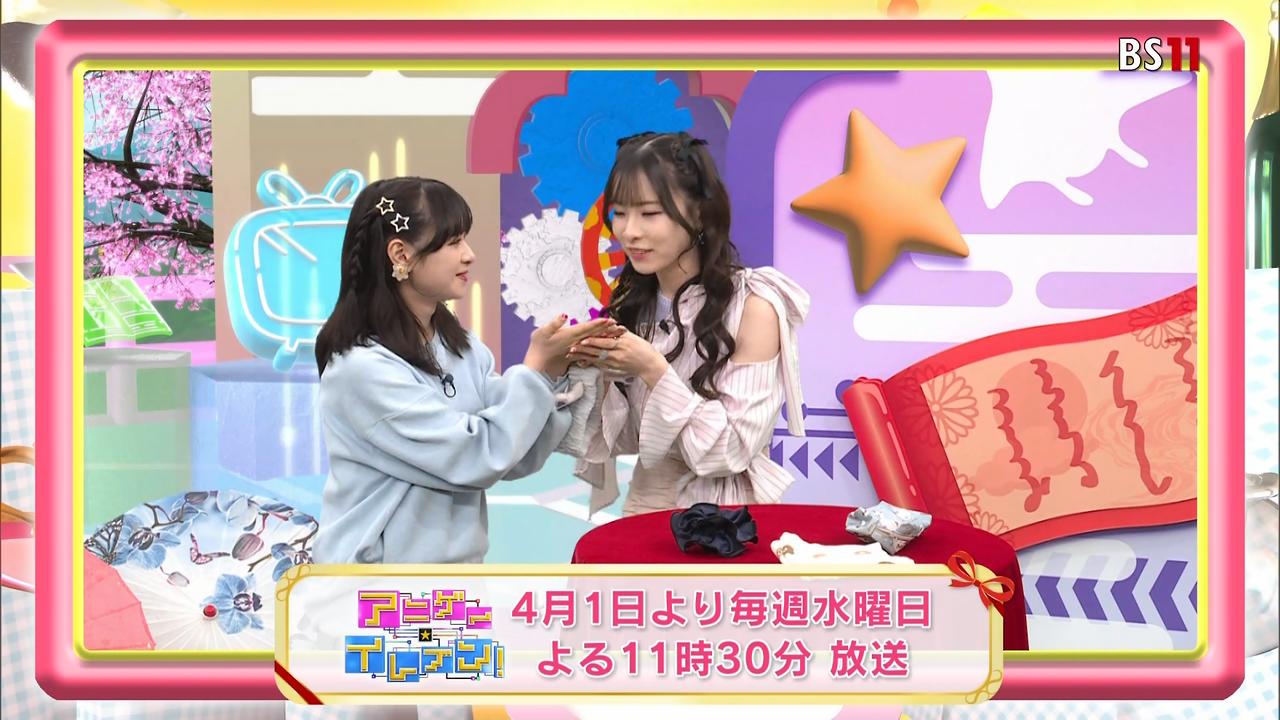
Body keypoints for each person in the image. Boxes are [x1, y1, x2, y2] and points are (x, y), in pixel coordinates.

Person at [312, 176, 612, 566]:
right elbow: (477, 456)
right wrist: (535, 368)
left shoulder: (463, 347)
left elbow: (513, 453)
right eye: (453, 242)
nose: (469, 255)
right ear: (401, 254)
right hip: (377, 583)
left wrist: (553, 371)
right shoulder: (361, 369)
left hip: (453, 577)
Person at [565, 131, 810, 517]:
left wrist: (652, 369)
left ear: (698, 213)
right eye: (620, 213)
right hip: (645, 510)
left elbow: (731, 451)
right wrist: (583, 372)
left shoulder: (753, 306)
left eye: (649, 213)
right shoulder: (634, 306)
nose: (629, 231)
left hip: (727, 521)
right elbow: (625, 439)